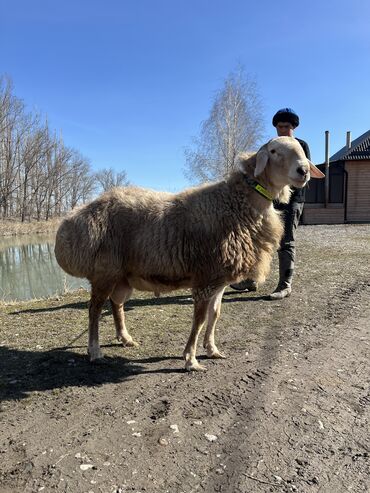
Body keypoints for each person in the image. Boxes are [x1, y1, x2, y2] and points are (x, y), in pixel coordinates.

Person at [230, 108, 311, 300]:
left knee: (286, 240)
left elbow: (304, 172)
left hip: (293, 200)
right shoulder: (269, 147)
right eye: (280, 126)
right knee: (261, 239)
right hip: (269, 200)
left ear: (294, 128)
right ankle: (252, 279)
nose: (284, 130)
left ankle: (285, 285)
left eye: (288, 127)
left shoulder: (300, 146)